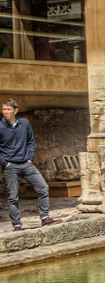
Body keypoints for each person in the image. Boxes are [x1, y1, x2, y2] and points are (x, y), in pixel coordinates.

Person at [1, 98, 55, 232]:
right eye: (3, 109)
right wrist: (5, 163)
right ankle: (17, 225)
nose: (5, 112)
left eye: (8, 109)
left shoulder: (25, 123)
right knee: (13, 197)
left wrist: (30, 158)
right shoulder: (0, 127)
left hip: (26, 164)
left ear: (15, 111)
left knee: (43, 188)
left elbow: (31, 141)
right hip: (10, 167)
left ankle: (45, 218)